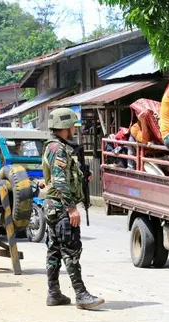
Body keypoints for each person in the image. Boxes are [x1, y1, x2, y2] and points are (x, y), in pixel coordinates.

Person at [42, 107, 104, 310]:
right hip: (60, 207)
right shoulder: (57, 149)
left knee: (54, 250)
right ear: (64, 127)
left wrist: (83, 176)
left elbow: (67, 175)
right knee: (71, 250)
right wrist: (71, 209)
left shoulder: (59, 147)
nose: (74, 130)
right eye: (72, 127)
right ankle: (81, 295)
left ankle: (54, 294)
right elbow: (59, 181)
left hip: (53, 206)